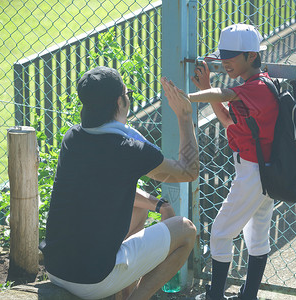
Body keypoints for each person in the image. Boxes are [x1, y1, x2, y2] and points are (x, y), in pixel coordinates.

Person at [39, 66, 199, 300]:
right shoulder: (129, 149)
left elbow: (110, 187)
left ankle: (121, 295)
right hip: (92, 281)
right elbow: (188, 171)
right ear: (119, 102)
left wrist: (158, 204)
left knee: (138, 210)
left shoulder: (72, 138)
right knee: (186, 230)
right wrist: (184, 116)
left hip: (56, 270)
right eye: (128, 94)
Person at [190, 24, 278, 300]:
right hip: (262, 170)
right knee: (256, 234)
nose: (224, 61)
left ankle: (215, 295)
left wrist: (189, 97)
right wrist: (206, 87)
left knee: (220, 232)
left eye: (231, 56)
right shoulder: (254, 86)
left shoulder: (259, 87)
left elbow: (226, 95)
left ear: (252, 56)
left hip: (253, 172)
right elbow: (228, 120)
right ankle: (247, 295)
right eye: (222, 55)